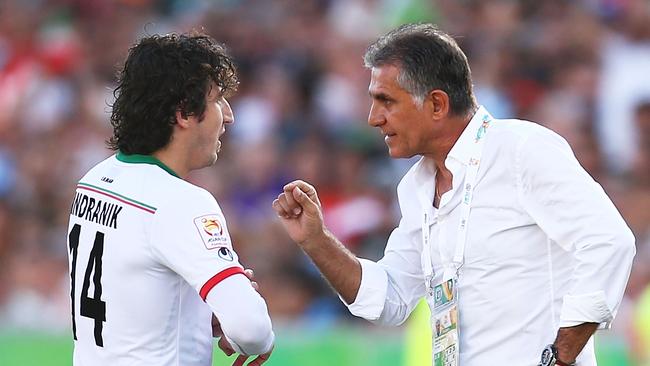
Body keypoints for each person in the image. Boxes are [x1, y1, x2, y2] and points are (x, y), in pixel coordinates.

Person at [273, 23, 635, 365]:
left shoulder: (521, 148)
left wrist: (561, 355)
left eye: (386, 101)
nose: (373, 117)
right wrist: (317, 241)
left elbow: (609, 241)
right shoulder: (415, 187)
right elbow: (389, 299)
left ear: (436, 105)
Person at [66, 32, 274, 366]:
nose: (229, 116)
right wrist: (246, 312)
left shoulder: (92, 181)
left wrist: (195, 313)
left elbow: (129, 302)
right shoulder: (182, 202)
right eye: (218, 99)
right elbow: (252, 329)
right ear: (184, 113)